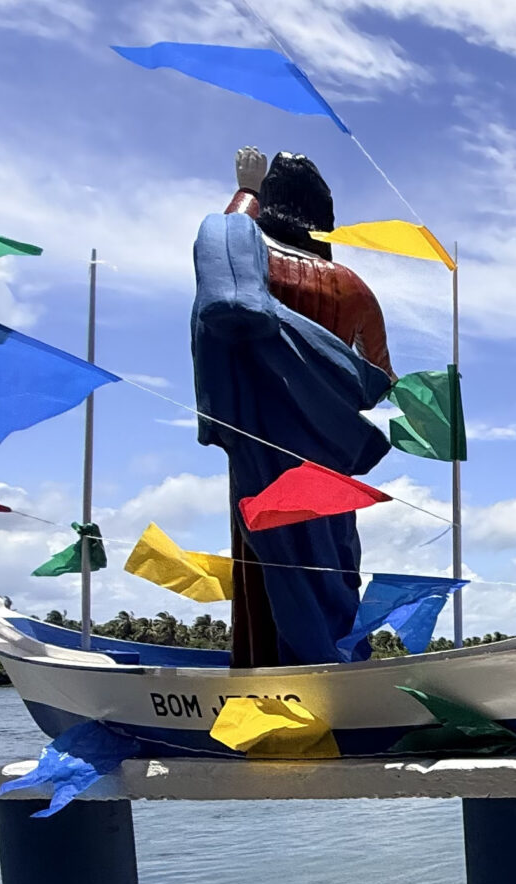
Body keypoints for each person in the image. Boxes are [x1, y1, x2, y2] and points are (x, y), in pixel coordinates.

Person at [195, 149, 394, 667]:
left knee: (268, 553)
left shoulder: (255, 259)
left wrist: (246, 190)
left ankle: (275, 672)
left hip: (263, 437)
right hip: (331, 451)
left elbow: (225, 264)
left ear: (272, 205)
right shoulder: (354, 287)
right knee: (334, 558)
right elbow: (380, 379)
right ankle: (342, 663)